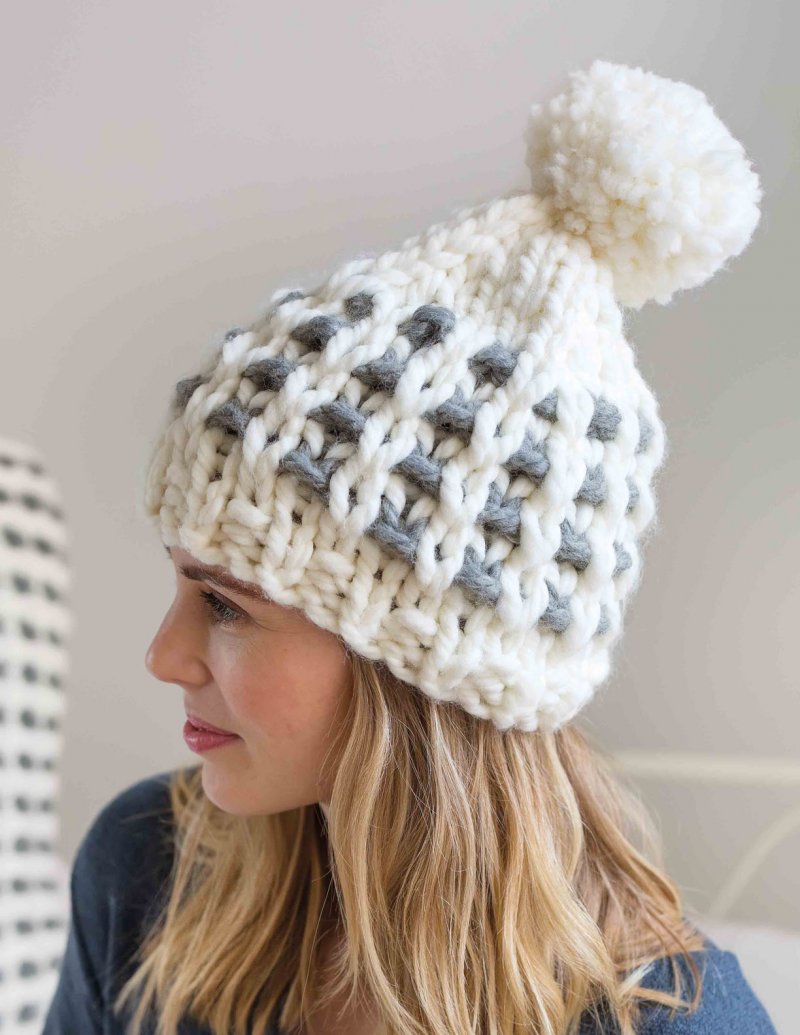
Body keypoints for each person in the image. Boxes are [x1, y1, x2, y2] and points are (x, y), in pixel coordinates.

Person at [43, 60, 778, 1035]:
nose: (163, 655)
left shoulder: (670, 1019)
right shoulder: (147, 872)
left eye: (223, 603)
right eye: (184, 586)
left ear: (416, 668)